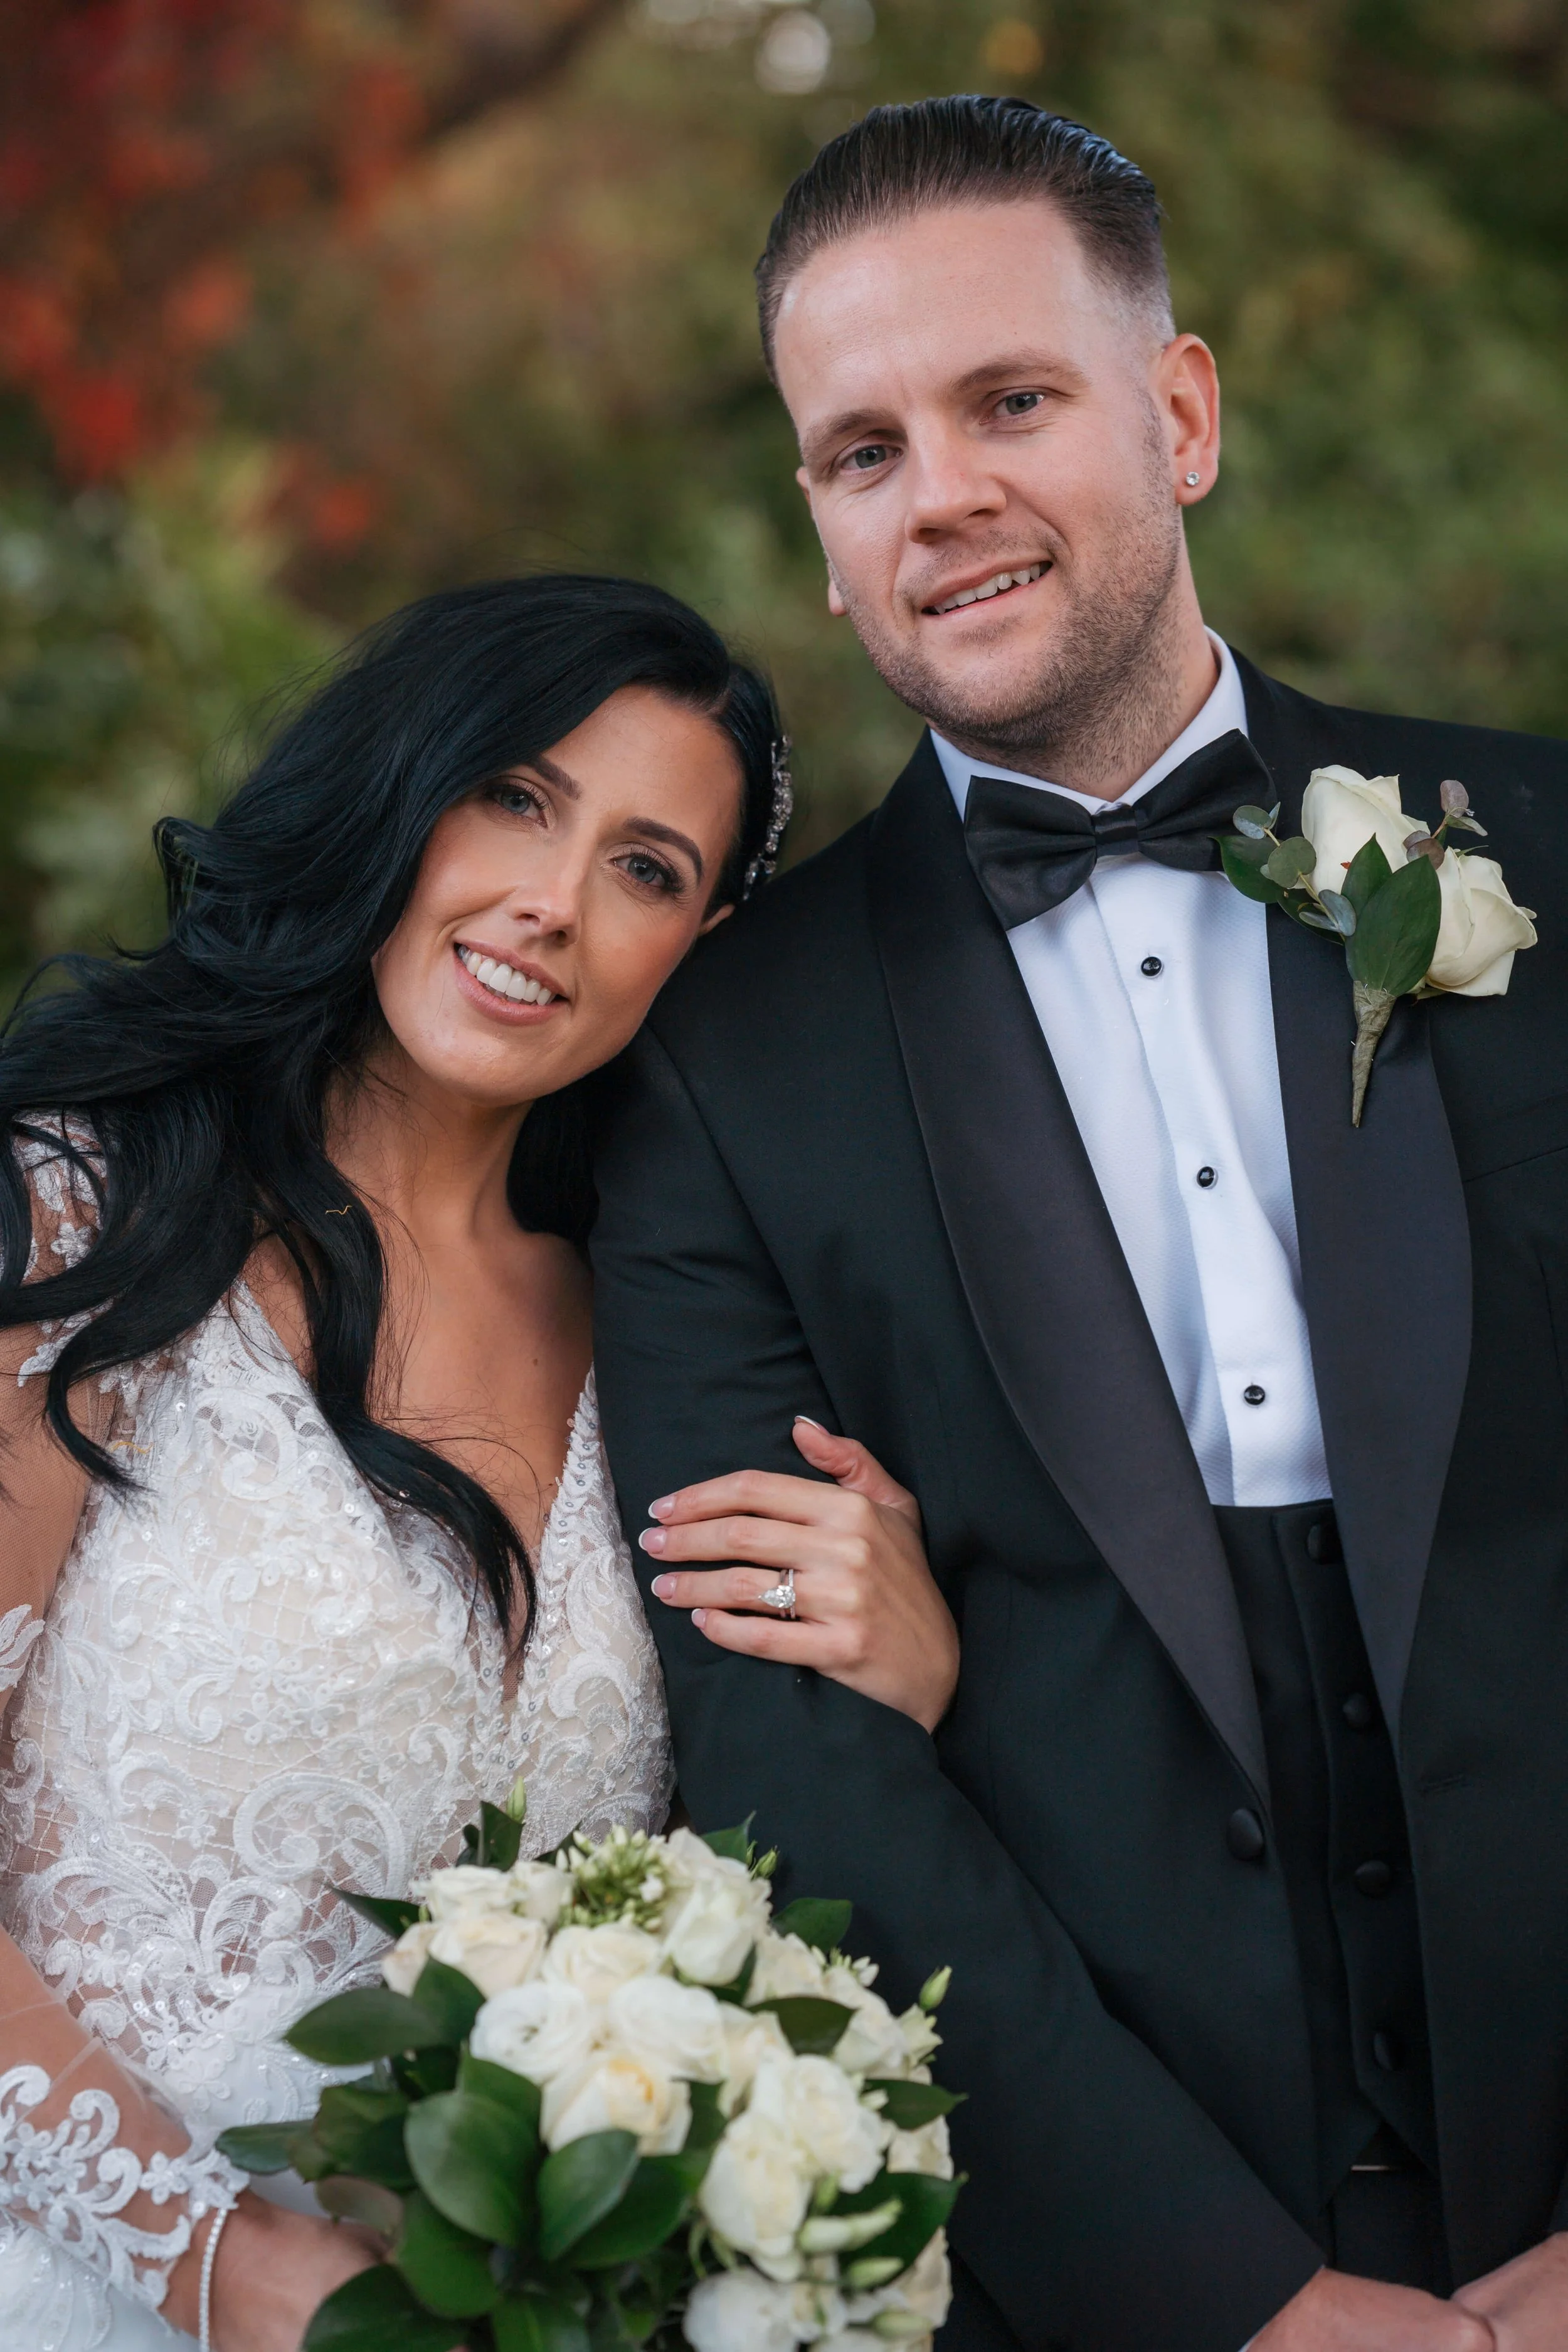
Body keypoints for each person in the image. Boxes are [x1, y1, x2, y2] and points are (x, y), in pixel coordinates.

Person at [590, 98, 1568, 2352]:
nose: (938, 493)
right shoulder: (719, 1055)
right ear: (820, 534)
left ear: (1182, 411)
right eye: (859, 451)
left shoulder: (1536, 848)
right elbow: (786, 1742)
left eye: (1008, 400)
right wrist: (1220, 2299)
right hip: (1095, 2239)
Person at [0, 571, 956, 2352]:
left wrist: (899, 1675)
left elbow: (725, 1870)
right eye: (514, 797)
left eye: (647, 868)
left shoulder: (672, 1336)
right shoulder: (79, 1218)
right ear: (398, 786)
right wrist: (223, 2262)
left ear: (697, 947)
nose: (551, 903)